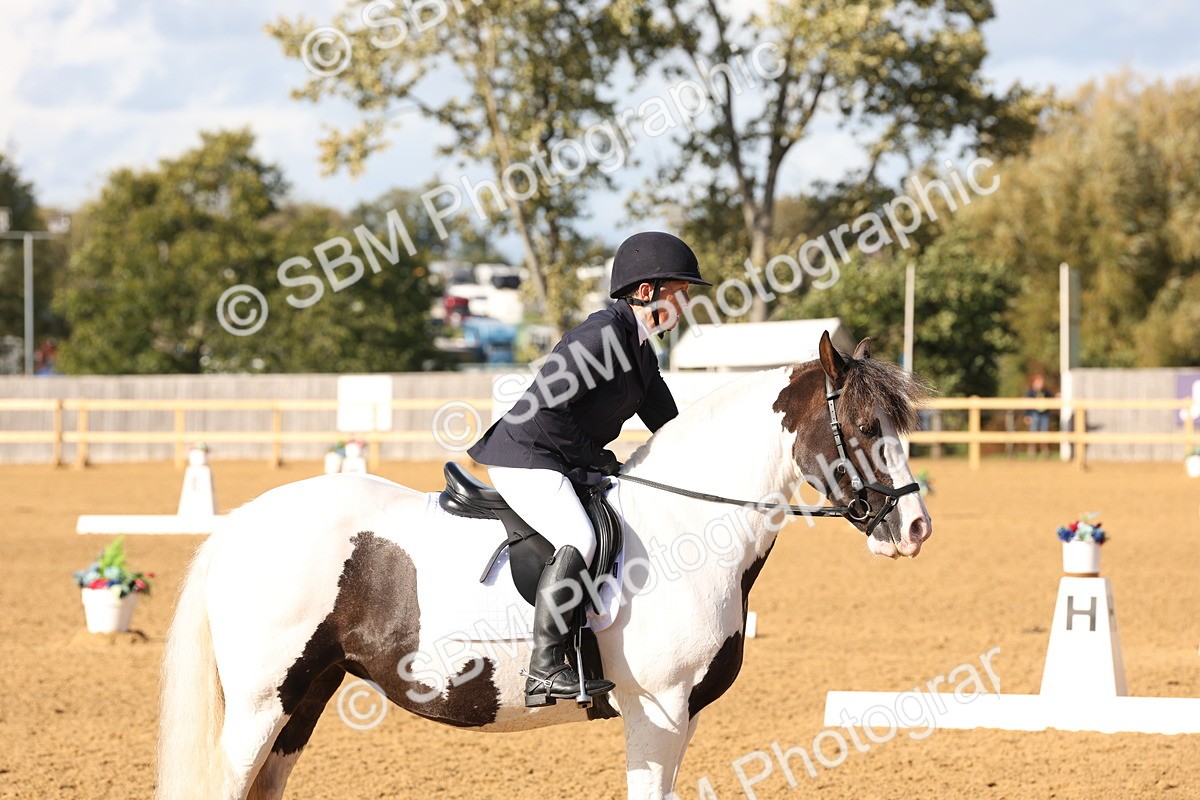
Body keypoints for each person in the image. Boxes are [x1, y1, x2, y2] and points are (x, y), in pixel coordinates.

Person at [467, 231, 710, 706]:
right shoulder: (600, 337)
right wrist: (595, 460)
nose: (685, 305)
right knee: (580, 536)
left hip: (561, 458)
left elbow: (669, 423)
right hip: (528, 455)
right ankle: (544, 668)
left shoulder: (641, 348)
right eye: (680, 293)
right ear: (647, 292)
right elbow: (547, 411)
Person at [1024, 374, 1054, 458]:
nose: (1040, 384)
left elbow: (1052, 398)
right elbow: (1026, 405)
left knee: (1045, 434)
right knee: (1033, 434)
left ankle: (1045, 452)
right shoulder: (1030, 393)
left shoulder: (1046, 392)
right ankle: (1032, 452)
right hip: (1034, 415)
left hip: (1044, 415)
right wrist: (1027, 415)